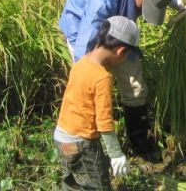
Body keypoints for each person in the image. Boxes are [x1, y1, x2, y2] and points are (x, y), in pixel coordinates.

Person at [59, 0, 186, 161]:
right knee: (91, 89)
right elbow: (86, 37)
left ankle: (139, 140)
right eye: (144, 6)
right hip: (82, 24)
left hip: (120, 27)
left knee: (134, 83)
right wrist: (86, 74)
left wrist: (176, 2)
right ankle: (89, 145)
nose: (142, 12)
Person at [53, 16, 135, 190]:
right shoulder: (102, 77)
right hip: (81, 143)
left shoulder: (81, 62)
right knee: (98, 185)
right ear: (121, 52)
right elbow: (104, 121)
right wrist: (115, 153)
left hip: (61, 138)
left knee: (72, 184)